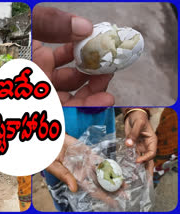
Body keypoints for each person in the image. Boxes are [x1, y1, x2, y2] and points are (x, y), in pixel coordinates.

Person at [32, 6, 157, 211]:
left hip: (101, 141)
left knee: (104, 193)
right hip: (51, 151)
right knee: (66, 194)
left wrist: (135, 110)